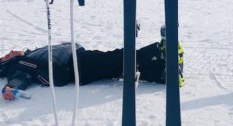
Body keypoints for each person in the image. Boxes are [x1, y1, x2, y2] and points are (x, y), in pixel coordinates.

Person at [1, 30, 185, 100]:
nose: (9, 53)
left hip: (79, 59)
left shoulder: (30, 53)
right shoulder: (18, 67)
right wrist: (9, 89)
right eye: (5, 56)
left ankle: (163, 73)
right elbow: (18, 80)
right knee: (117, 58)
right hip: (75, 68)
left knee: (118, 67)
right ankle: (159, 51)